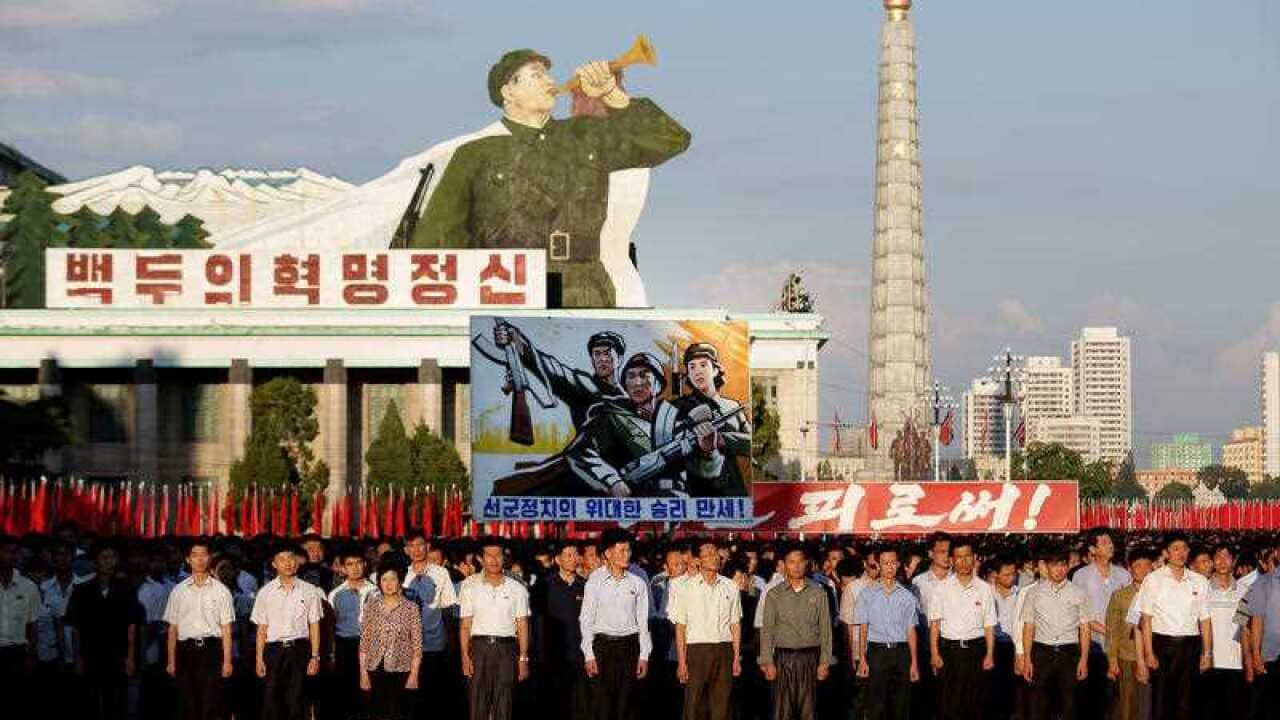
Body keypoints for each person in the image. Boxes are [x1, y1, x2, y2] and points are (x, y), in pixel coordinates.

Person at [412, 50, 691, 308]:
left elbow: (672, 140)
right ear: (508, 91)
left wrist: (612, 95)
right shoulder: (475, 154)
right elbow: (434, 241)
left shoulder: (585, 137)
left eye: (548, 74)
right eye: (536, 74)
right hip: (507, 289)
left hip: (584, 287)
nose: (550, 81)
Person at [489, 323, 628, 430]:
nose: (602, 359)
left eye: (607, 353)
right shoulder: (585, 386)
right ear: (592, 358)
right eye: (597, 354)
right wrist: (517, 341)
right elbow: (554, 369)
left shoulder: (630, 396)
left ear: (620, 358)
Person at [1135, 532, 1211, 720]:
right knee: (1161, 703)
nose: (1181, 553)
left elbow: (1206, 620)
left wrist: (1207, 652)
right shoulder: (1153, 580)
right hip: (1163, 645)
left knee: (1187, 704)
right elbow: (1146, 620)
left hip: (1191, 646)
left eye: (1184, 549)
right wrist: (1148, 652)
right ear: (1166, 553)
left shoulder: (1199, 581)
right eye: (1176, 549)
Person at [580, 528, 651, 720]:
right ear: (608, 553)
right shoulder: (595, 581)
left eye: (628, 550)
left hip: (629, 647)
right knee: (601, 705)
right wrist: (589, 654)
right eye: (621, 550)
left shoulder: (638, 582)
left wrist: (644, 655)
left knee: (626, 705)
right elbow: (586, 619)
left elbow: (643, 622)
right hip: (602, 647)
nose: (626, 555)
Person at [67, 543, 143, 720]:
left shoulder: (126, 589)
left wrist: (130, 658)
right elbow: (76, 627)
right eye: (104, 558)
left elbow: (131, 625)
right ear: (95, 562)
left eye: (112, 558)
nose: (109, 562)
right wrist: (77, 658)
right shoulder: (82, 590)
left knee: (116, 703)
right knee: (90, 702)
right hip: (90, 654)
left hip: (117, 654)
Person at [459, 537, 531, 720]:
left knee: (504, 701)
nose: (493, 560)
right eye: (488, 555)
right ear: (481, 559)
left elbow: (522, 625)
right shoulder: (470, 587)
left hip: (506, 649)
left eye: (497, 555)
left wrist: (523, 658)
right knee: (478, 702)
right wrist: (465, 655)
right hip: (479, 648)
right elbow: (465, 625)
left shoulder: (517, 588)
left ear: (504, 558)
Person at [670, 538, 742, 720]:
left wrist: (735, 657)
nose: (715, 558)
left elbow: (735, 624)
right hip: (696, 651)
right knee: (694, 706)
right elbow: (680, 628)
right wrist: (681, 661)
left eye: (715, 553)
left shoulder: (730, 586)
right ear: (697, 561)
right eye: (708, 554)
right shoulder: (685, 588)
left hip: (723, 650)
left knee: (723, 706)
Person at [759, 544, 832, 720]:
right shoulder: (774, 594)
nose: (796, 566)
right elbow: (767, 630)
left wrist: (824, 662)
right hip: (783, 659)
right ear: (784, 564)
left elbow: (826, 630)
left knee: (809, 711)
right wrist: (767, 661)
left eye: (800, 561)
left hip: (810, 659)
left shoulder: (819, 592)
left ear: (806, 563)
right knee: (782, 712)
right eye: (791, 562)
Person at [162, 540, 234, 720]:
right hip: (185, 651)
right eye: (195, 555)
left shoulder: (221, 591)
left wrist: (227, 661)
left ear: (210, 558)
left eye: (204, 555)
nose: (200, 559)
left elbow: (226, 628)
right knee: (186, 703)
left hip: (211, 650)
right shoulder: (178, 591)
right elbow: (173, 628)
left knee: (211, 702)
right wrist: (171, 660)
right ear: (188, 560)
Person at [251, 544, 324, 720]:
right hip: (273, 651)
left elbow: (314, 625)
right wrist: (259, 658)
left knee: (297, 701)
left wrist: (315, 656)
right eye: (282, 559)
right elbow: (261, 629)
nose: (288, 563)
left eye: (291, 558)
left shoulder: (309, 590)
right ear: (274, 564)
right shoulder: (265, 592)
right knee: (271, 700)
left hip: (299, 650)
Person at [1019, 545, 1091, 720]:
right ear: (1046, 566)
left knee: (1070, 704)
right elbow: (1028, 626)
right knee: (1037, 703)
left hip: (1069, 653)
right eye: (1054, 564)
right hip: (1042, 652)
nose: (1059, 569)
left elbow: (1085, 628)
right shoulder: (1034, 593)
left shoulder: (1078, 592)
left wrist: (1083, 659)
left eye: (1063, 564)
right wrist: (1027, 658)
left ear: (1067, 566)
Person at [927, 538, 995, 720]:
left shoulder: (985, 589)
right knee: (948, 706)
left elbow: (989, 625)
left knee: (976, 705)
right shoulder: (941, 589)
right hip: (950, 651)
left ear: (974, 558)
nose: (963, 561)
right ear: (952, 560)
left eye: (967, 556)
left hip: (976, 651)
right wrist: (934, 654)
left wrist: (989, 654)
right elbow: (935, 625)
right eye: (958, 557)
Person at [673, 343, 752, 497]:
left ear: (715, 370)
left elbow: (749, 443)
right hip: (697, 487)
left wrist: (722, 440)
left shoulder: (731, 406)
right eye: (692, 367)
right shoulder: (679, 407)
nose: (697, 372)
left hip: (732, 487)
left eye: (703, 365)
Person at [854, 546, 920, 720]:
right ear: (878, 565)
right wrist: (862, 659)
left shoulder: (907, 596)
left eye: (893, 563)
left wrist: (914, 662)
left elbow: (911, 629)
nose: (889, 567)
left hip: (901, 652)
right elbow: (863, 628)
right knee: (876, 704)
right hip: (877, 652)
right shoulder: (866, 594)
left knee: (902, 705)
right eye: (885, 563)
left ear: (898, 564)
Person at [1071, 527, 1130, 717]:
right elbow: (1079, 612)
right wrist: (1105, 630)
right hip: (1094, 643)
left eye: (1110, 542)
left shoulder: (1123, 575)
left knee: (1118, 698)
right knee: (1094, 698)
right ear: (1092, 549)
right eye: (1104, 543)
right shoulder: (1081, 576)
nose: (1110, 545)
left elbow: (1129, 607)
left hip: (1120, 645)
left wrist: (1117, 632)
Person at [403, 531, 460, 720]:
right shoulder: (401, 572)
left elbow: (448, 609)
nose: (416, 550)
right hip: (406, 645)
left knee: (433, 695)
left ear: (427, 546)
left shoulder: (440, 572)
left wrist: (451, 644)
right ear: (406, 549)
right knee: (410, 697)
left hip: (434, 643)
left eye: (420, 544)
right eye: (411, 545)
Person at [532, 541, 589, 720]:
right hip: (553, 655)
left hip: (580, 654)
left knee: (580, 704)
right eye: (569, 555)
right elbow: (537, 621)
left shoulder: (585, 586)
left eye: (576, 555)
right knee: (554, 703)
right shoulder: (544, 585)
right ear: (557, 559)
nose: (574, 559)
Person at [359, 559, 422, 720]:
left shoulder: (411, 608)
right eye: (384, 579)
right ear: (379, 582)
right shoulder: (371, 606)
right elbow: (364, 643)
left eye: (393, 579)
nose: (388, 584)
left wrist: (414, 675)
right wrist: (363, 674)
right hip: (375, 668)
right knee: (376, 714)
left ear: (400, 581)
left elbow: (417, 645)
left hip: (401, 669)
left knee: (398, 713)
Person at [1105, 547, 1154, 720]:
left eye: (1147, 565)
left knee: (1149, 705)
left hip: (1153, 656)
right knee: (1127, 704)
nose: (1143, 570)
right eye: (1138, 566)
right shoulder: (1120, 595)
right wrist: (1112, 660)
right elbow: (1112, 629)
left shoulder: (1160, 594)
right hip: (1126, 656)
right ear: (1130, 569)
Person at [329, 549, 377, 720]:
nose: (355, 568)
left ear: (364, 564)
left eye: (358, 563)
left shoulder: (376, 591)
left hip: (372, 645)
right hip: (345, 646)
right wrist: (333, 654)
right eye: (349, 564)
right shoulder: (335, 594)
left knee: (370, 692)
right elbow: (331, 626)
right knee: (346, 693)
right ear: (342, 568)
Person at [1203, 544, 1247, 719]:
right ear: (1213, 561)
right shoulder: (1204, 589)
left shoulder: (1243, 591)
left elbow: (1243, 628)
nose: (1222, 561)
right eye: (1218, 557)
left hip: (1236, 663)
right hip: (1209, 663)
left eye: (1227, 557)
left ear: (1234, 561)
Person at [0, 535, 41, 717]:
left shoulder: (29, 587)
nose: (12, 556)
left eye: (15, 552)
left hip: (17, 652)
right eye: (7, 551)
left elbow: (33, 624)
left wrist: (31, 657)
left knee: (17, 704)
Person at [650, 545, 689, 720]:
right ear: (666, 567)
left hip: (683, 652)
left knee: (683, 700)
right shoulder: (657, 585)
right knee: (664, 700)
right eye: (675, 564)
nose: (680, 568)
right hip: (662, 651)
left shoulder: (692, 587)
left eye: (682, 564)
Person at [836, 555, 871, 720]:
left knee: (857, 699)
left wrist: (849, 656)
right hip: (878, 650)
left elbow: (847, 626)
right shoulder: (878, 584)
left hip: (857, 652)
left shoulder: (851, 589)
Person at [988, 555, 1019, 720]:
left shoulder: (1020, 594)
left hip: (1013, 646)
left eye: (1013, 574)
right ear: (996, 575)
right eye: (1006, 574)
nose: (1011, 578)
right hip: (991, 645)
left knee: (1011, 688)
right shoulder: (986, 592)